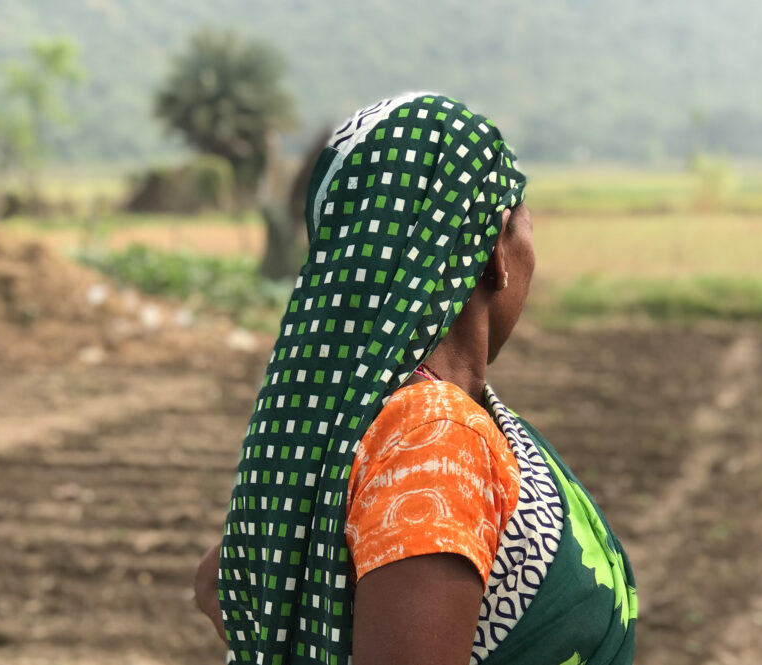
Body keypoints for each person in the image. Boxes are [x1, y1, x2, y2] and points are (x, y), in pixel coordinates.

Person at [195, 92, 637, 665]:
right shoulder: (433, 436)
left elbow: (221, 581)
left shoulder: (338, 419)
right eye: (526, 222)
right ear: (497, 248)